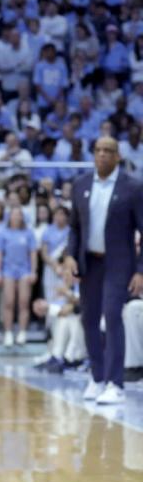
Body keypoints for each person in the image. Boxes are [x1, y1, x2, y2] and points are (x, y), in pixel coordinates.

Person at [64, 136, 143, 405]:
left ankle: (115, 384)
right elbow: (74, 227)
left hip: (119, 264)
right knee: (88, 319)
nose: (102, 155)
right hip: (90, 263)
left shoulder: (133, 187)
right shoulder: (81, 184)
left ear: (118, 155)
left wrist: (140, 271)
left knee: (112, 316)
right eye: (98, 150)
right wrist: (69, 257)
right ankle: (97, 378)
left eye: (108, 151)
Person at [0, 206, 38, 347]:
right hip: (8, 270)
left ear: (22, 217)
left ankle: (22, 333)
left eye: (18, 214)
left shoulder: (28, 233)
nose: (16, 217)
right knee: (9, 302)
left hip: (24, 271)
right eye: (13, 214)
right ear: (9, 217)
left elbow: (32, 253)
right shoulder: (3, 233)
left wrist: (33, 271)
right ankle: (8, 333)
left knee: (23, 302)